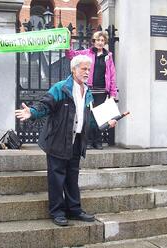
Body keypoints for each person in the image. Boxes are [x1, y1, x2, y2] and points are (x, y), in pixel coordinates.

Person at [15, 55, 117, 226]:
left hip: (76, 140)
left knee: (72, 176)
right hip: (58, 139)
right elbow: (44, 105)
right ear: (74, 69)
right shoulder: (61, 88)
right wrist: (32, 112)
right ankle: (57, 212)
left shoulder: (88, 92)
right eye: (84, 69)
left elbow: (90, 119)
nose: (87, 72)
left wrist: (106, 123)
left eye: (88, 69)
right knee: (56, 178)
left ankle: (74, 210)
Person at [65, 31, 117, 150]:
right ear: (93, 41)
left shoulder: (108, 56)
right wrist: (68, 44)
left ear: (105, 42)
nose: (100, 42)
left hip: (102, 91)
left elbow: (112, 76)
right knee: (87, 116)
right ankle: (87, 141)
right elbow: (70, 55)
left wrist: (113, 94)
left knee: (100, 117)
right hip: (88, 90)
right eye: (98, 40)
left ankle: (97, 142)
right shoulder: (86, 53)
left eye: (102, 40)